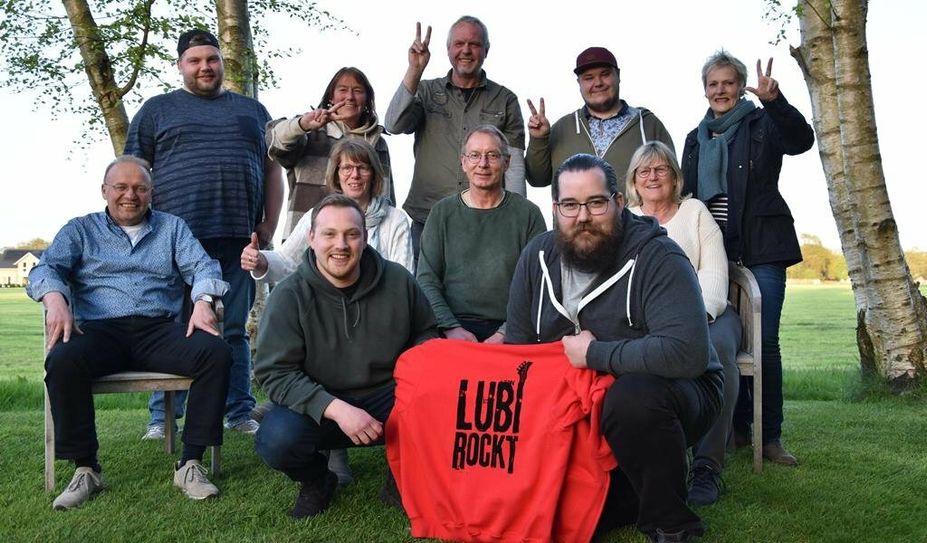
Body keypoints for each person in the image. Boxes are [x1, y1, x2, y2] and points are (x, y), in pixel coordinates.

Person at [506, 154, 723, 542]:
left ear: (619, 203)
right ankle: (622, 487)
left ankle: (669, 523)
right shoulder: (535, 258)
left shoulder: (659, 256)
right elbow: (519, 353)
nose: (583, 216)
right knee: (585, 515)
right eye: (570, 205)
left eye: (596, 202)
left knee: (633, 398)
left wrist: (596, 354)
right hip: (575, 403)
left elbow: (686, 353)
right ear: (555, 209)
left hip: (674, 392)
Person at [28, 156, 232, 510]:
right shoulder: (80, 230)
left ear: (152, 192)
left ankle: (190, 464)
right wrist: (54, 296)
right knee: (62, 360)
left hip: (158, 330)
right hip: (98, 331)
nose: (130, 195)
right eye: (121, 187)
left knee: (216, 352)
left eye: (139, 188)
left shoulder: (172, 228)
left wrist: (203, 299)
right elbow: (47, 268)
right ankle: (86, 469)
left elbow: (203, 266)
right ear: (104, 191)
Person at [124, 28, 283, 438]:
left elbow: (271, 170)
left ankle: (238, 412)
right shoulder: (156, 110)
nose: (204, 67)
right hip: (172, 242)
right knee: (173, 327)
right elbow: (132, 174)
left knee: (231, 328)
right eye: (195, 61)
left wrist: (269, 224)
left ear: (222, 63)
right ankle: (163, 418)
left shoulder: (252, 111)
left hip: (238, 239)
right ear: (180, 66)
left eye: (211, 59)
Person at [252, 194, 438, 519]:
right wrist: (335, 408)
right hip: (321, 404)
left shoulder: (398, 281)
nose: (341, 244)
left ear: (365, 238)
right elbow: (274, 373)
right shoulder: (289, 295)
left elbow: (426, 337)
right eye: (329, 234)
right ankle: (317, 480)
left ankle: (401, 478)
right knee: (276, 439)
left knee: (441, 405)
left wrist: (412, 387)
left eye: (352, 234)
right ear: (311, 238)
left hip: (388, 396)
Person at [681, 51, 814, 467]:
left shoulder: (762, 124)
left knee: (764, 342)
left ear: (741, 86)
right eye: (713, 84)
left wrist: (775, 101)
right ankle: (735, 429)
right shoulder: (696, 136)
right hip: (714, 254)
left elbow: (801, 140)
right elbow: (686, 196)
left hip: (762, 248)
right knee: (723, 340)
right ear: (705, 89)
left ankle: (769, 437)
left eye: (727, 82)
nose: (720, 90)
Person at [626, 141, 741, 506]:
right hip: (651, 321)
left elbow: (715, 271)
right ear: (633, 180)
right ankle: (645, 460)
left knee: (717, 350)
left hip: (710, 314)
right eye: (644, 170)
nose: (653, 176)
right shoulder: (625, 220)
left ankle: (707, 468)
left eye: (661, 169)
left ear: (675, 177)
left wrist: (697, 318)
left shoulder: (695, 212)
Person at [385, 17, 526, 259]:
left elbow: (513, 166)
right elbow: (393, 124)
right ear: (448, 49)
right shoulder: (427, 91)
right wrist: (414, 70)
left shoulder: (505, 99)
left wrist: (516, 217)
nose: (466, 50)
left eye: (474, 44)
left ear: (486, 50)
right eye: (459, 43)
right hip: (427, 220)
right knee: (422, 293)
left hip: (485, 222)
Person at [417, 125, 545, 343]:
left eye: (492, 155)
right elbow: (426, 279)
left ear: (507, 162)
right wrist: (451, 327)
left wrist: (506, 332)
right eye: (475, 155)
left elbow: (539, 282)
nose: (483, 164)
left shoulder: (528, 214)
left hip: (512, 328)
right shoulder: (442, 212)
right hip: (451, 327)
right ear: (463, 162)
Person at [242, 138, 413, 283]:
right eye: (347, 168)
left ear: (374, 173)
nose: (355, 175)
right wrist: (260, 261)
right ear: (336, 174)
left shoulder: (395, 219)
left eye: (362, 167)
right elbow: (287, 261)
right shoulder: (316, 216)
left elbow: (404, 278)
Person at [267, 67, 394, 239]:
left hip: (362, 244)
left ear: (367, 100)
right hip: (306, 243)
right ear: (330, 97)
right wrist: (302, 125)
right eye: (342, 90)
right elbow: (273, 140)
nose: (350, 96)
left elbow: (385, 196)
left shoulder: (378, 143)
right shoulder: (309, 133)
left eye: (358, 91)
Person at [525, 46, 674, 188]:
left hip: (632, 215)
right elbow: (537, 179)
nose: (598, 83)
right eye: (589, 78)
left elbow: (673, 181)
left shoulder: (646, 124)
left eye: (605, 74)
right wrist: (539, 140)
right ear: (579, 83)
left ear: (618, 75)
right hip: (575, 216)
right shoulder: (563, 127)